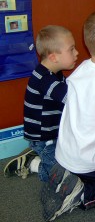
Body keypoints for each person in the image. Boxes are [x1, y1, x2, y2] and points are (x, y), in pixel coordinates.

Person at [41, 8, 95, 221]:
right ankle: (81, 194)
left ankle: (63, 175)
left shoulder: (81, 68)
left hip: (65, 153)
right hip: (90, 161)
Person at [3, 25, 78, 181]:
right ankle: (32, 163)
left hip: (53, 131)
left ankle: (37, 153)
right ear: (53, 57)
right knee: (57, 178)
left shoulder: (54, 72)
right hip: (44, 137)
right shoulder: (45, 79)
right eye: (71, 49)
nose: (76, 53)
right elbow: (72, 98)